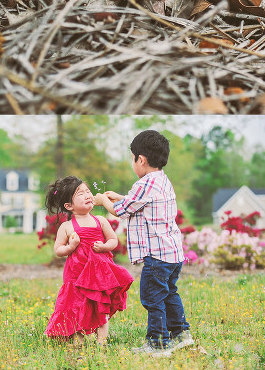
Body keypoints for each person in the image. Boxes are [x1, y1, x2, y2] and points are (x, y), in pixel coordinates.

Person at [95, 130, 194, 357]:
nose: (133, 162)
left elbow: (121, 211)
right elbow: (139, 203)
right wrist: (121, 196)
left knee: (152, 297)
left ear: (141, 159)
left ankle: (157, 344)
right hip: (172, 254)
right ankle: (181, 335)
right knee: (170, 293)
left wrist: (103, 201)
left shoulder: (143, 183)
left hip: (157, 256)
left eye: (133, 158)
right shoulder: (161, 180)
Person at [44, 176, 133, 343]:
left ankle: (102, 341)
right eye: (80, 193)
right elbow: (58, 250)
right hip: (77, 274)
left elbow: (113, 241)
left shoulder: (100, 221)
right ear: (69, 206)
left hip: (99, 275)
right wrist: (71, 247)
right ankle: (79, 339)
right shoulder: (67, 226)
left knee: (100, 307)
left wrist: (104, 247)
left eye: (88, 191)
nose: (87, 195)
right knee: (78, 305)